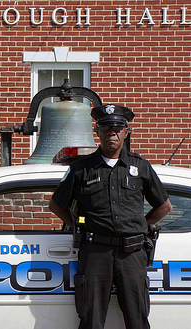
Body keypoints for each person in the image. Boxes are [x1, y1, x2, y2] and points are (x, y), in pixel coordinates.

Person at [49, 104, 172, 329]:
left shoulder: (140, 167)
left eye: (117, 128)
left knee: (138, 318)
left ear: (126, 132)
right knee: (91, 319)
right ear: (97, 132)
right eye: (106, 128)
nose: (111, 133)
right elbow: (56, 205)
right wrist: (78, 225)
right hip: (95, 252)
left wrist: (141, 226)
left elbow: (164, 206)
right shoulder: (81, 169)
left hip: (132, 253)